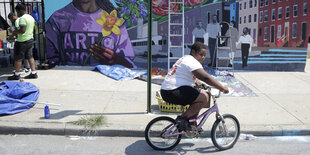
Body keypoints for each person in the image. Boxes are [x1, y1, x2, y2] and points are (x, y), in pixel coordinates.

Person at [160, 42, 229, 131]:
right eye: (201, 55)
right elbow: (206, 77)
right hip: (172, 91)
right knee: (204, 98)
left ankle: (192, 123)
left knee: (202, 95)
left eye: (204, 55)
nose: (203, 58)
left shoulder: (186, 58)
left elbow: (191, 77)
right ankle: (183, 119)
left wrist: (199, 85)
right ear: (193, 51)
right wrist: (222, 88)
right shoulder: (191, 61)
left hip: (168, 90)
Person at [45, 0, 135, 68]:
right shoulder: (56, 19)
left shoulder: (114, 20)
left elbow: (130, 65)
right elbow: (48, 61)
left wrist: (116, 60)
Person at [8, 4, 37, 80]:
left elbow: (22, 30)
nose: (17, 13)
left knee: (18, 58)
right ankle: (34, 73)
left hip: (22, 41)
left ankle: (17, 74)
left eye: (17, 12)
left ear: (20, 11)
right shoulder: (30, 17)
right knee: (30, 56)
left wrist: (14, 32)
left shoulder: (22, 19)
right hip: (30, 39)